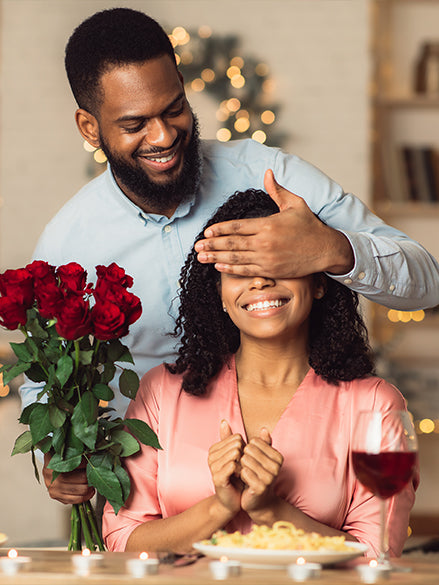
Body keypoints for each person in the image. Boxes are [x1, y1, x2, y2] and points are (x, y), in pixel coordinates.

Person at [18, 7, 437, 503]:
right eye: (135, 123)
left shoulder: (271, 176)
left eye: (173, 108)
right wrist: (55, 454)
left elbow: (427, 281)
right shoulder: (69, 244)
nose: (164, 136)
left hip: (295, 473)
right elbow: (44, 377)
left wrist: (330, 248)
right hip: (149, 494)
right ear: (89, 127)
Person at [102, 189, 417, 557]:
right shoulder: (161, 392)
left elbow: (378, 555)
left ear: (318, 283)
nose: (260, 281)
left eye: (280, 263)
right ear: (218, 292)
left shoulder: (375, 405)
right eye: (239, 268)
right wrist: (219, 507)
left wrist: (272, 511)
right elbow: (122, 540)